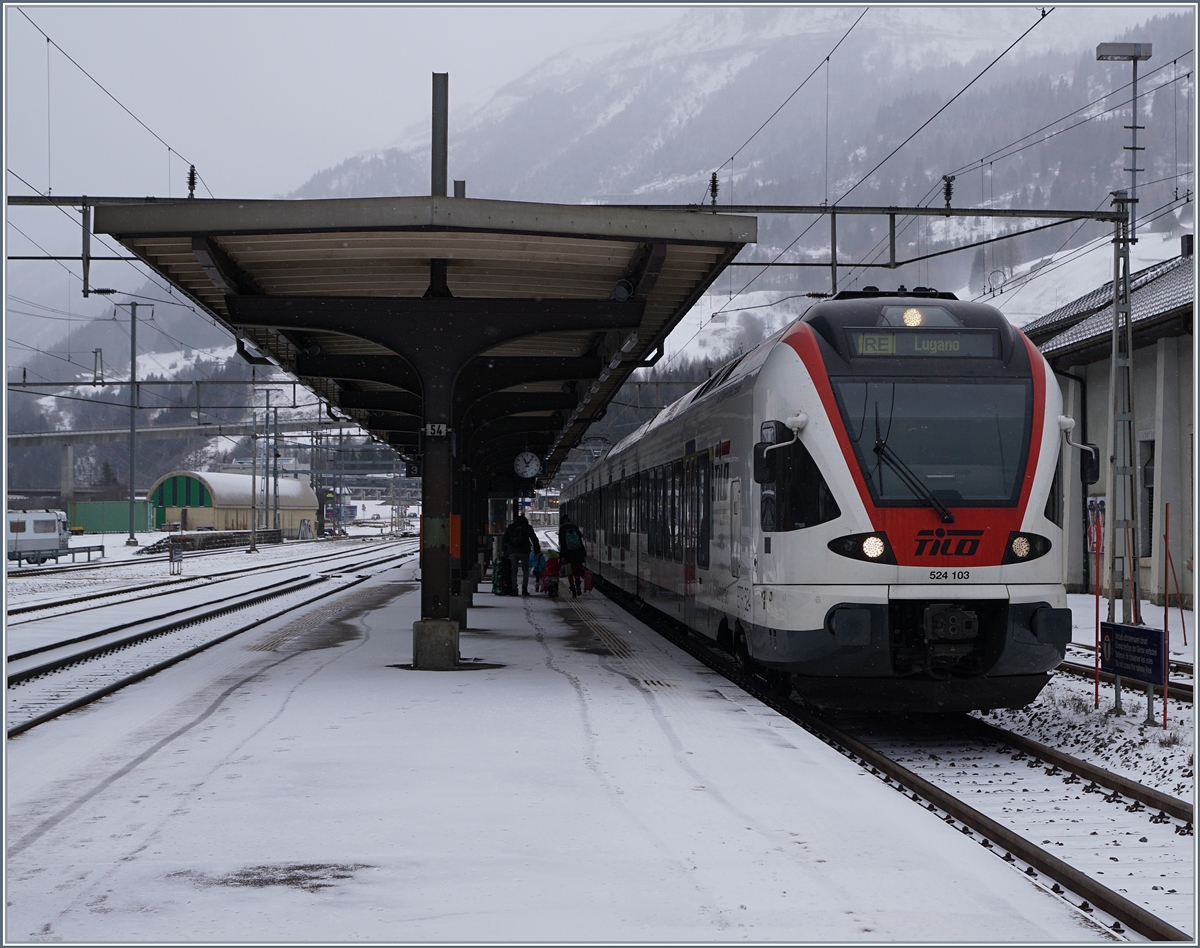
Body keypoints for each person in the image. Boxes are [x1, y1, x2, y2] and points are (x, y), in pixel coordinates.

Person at [502, 514, 540, 596]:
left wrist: (504, 550)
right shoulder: (527, 527)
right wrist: (537, 551)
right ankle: (524, 589)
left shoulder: (511, 527)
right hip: (524, 551)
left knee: (513, 571)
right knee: (525, 571)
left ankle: (514, 589)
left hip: (513, 551)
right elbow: (534, 539)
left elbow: (505, 539)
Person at [558, 515, 587, 597]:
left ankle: (573, 590)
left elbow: (562, 544)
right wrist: (583, 553)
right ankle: (578, 584)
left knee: (569, 573)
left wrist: (562, 556)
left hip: (567, 554)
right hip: (577, 553)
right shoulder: (574, 526)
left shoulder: (562, 529)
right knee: (576, 571)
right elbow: (580, 541)